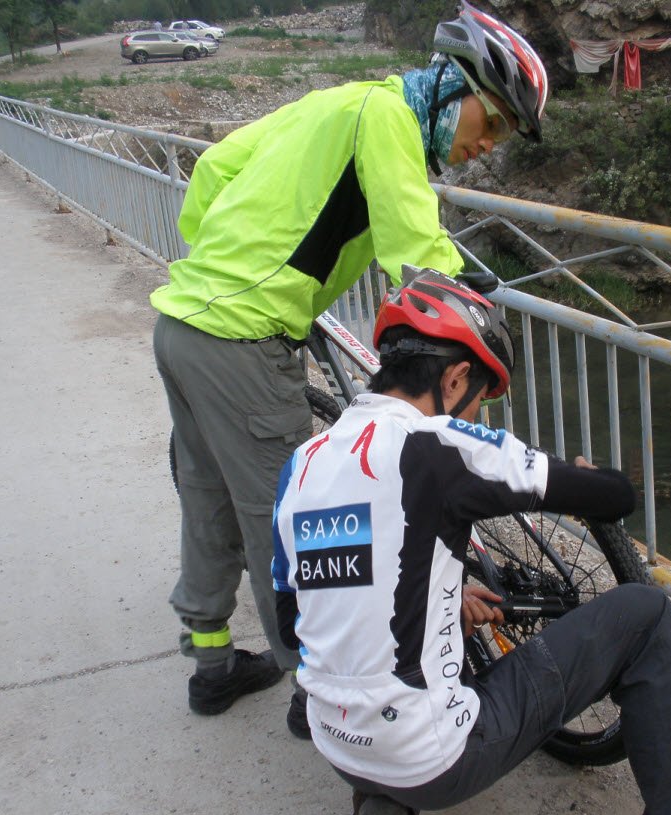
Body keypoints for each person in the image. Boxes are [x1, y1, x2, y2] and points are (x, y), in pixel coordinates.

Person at [269, 267, 671, 815]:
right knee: (646, 616)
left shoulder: (303, 465)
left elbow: (301, 617)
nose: (478, 412)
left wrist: (443, 604)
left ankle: (382, 800)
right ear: (455, 379)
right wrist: (590, 474)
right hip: (430, 757)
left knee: (386, 652)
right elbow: (611, 495)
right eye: (480, 395)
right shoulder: (437, 444)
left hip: (334, 741)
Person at [149, 3, 549, 722]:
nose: (485, 145)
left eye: (501, 136)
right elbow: (413, 253)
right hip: (241, 337)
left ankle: (212, 663)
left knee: (207, 495)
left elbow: (212, 169)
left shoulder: (339, 103)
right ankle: (318, 692)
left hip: (184, 321)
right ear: (451, 87)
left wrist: (221, 265)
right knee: (290, 521)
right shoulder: (392, 119)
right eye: (488, 122)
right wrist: (476, 329)